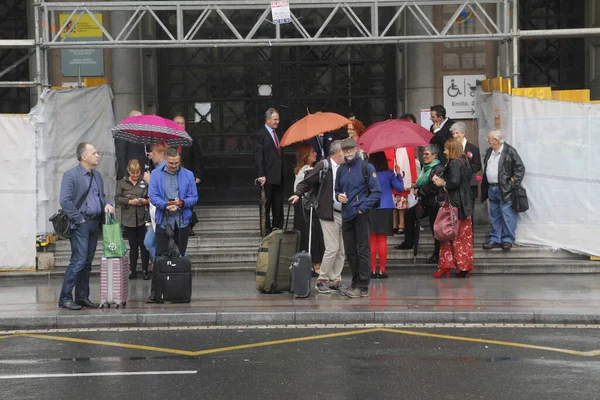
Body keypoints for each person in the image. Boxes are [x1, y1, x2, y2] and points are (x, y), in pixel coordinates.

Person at [58, 143, 115, 310]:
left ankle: (82, 297)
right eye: (94, 153)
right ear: (84, 157)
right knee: (78, 261)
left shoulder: (97, 176)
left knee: (87, 262)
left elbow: (101, 196)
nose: (98, 155)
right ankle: (65, 297)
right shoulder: (71, 175)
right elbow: (65, 201)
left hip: (95, 223)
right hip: (80, 224)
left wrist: (107, 204)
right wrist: (79, 220)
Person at [289, 140, 346, 294]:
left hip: (343, 212)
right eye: (345, 150)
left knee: (341, 250)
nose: (347, 153)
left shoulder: (344, 167)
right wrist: (297, 194)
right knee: (332, 248)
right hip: (328, 212)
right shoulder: (324, 165)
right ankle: (322, 280)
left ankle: (335, 279)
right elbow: (307, 182)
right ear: (338, 152)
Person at [146, 147, 198, 303]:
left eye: (176, 162)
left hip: (181, 220)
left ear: (179, 159)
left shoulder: (188, 174)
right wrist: (165, 205)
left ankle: (178, 291)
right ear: (165, 160)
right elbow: (153, 195)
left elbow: (194, 196)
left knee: (180, 256)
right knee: (159, 256)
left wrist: (181, 203)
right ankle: (156, 292)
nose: (174, 165)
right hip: (164, 219)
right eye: (171, 163)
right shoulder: (156, 174)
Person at [335, 138, 381, 298]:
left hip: (360, 214)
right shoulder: (341, 169)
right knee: (350, 251)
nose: (348, 152)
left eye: (350, 149)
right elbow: (337, 190)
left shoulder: (366, 167)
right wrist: (338, 196)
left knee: (363, 250)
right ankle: (355, 283)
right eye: (345, 149)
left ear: (356, 149)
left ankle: (362, 286)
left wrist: (363, 208)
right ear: (341, 150)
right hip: (347, 213)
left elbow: (376, 192)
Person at [395, 145, 445, 264]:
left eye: (427, 154)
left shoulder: (438, 168)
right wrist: (415, 186)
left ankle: (437, 254)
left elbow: (433, 187)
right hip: (425, 202)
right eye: (423, 154)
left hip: (434, 202)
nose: (424, 156)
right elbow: (422, 182)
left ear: (434, 155)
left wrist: (419, 191)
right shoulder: (425, 168)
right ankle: (408, 242)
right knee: (409, 214)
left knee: (435, 228)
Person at [432, 140, 475, 278]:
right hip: (461, 204)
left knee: (453, 235)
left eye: (446, 149)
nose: (444, 152)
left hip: (456, 205)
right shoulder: (462, 161)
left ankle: (453, 266)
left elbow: (454, 182)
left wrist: (442, 182)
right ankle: (459, 266)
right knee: (456, 236)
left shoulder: (455, 163)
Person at [481, 130, 526, 251]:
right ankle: (495, 238)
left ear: (495, 140)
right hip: (492, 188)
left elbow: (520, 168)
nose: (487, 141)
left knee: (507, 214)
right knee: (494, 214)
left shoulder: (509, 151)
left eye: (489, 139)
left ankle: (507, 239)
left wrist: (511, 183)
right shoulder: (490, 152)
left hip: (504, 189)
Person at [368, 152, 404, 279]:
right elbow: (400, 188)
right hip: (386, 206)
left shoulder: (367, 173)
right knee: (382, 240)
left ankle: (372, 270)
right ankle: (382, 270)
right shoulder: (389, 173)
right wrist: (399, 174)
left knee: (372, 240)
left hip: (371, 206)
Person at [292, 144, 325, 276]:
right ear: (306, 156)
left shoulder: (300, 170)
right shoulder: (308, 171)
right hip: (308, 208)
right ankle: (315, 264)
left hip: (302, 208)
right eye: (312, 152)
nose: (315, 153)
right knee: (314, 234)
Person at [115, 159, 150, 280]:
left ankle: (145, 270)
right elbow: (117, 199)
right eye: (133, 172)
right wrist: (129, 201)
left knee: (144, 245)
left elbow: (150, 195)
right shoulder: (122, 183)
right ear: (128, 171)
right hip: (128, 219)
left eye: (137, 172)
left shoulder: (143, 182)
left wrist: (145, 201)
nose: (135, 175)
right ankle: (133, 270)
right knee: (133, 245)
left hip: (142, 218)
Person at [385, 113, 418, 234]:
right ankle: (393, 223)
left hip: (403, 174)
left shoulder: (408, 143)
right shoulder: (387, 143)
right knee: (393, 202)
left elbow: (411, 162)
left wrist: (413, 178)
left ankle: (402, 224)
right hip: (391, 175)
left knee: (401, 201)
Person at [253, 108, 284, 232]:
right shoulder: (260, 134)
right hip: (267, 176)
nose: (277, 121)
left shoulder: (278, 133)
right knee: (266, 204)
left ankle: (277, 228)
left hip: (278, 175)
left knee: (278, 204)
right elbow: (258, 155)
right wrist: (261, 174)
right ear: (268, 120)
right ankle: (266, 230)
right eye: (275, 119)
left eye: (278, 119)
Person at [174, 115, 202, 236]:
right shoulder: (168, 140)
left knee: (187, 202)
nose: (180, 126)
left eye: (182, 123)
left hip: (187, 176)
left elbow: (197, 158)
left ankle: (188, 226)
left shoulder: (191, 139)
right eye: (178, 123)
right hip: (172, 176)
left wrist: (198, 175)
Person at [143, 142, 167, 262]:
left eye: (154, 153)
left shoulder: (163, 169)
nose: (151, 155)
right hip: (154, 212)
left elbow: (162, 189)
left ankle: (163, 264)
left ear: (162, 154)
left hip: (161, 212)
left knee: (151, 242)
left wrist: (149, 181)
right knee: (149, 241)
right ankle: (161, 264)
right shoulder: (157, 168)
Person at [450, 122, 481, 200]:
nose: (455, 136)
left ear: (463, 133)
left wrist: (465, 169)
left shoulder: (473, 148)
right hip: (455, 185)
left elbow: (478, 165)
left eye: (457, 133)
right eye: (453, 134)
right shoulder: (451, 149)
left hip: (469, 183)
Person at [115, 110, 149, 180]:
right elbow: (120, 155)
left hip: (142, 172)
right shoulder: (123, 133)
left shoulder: (144, 133)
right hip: (130, 173)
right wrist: (126, 175)